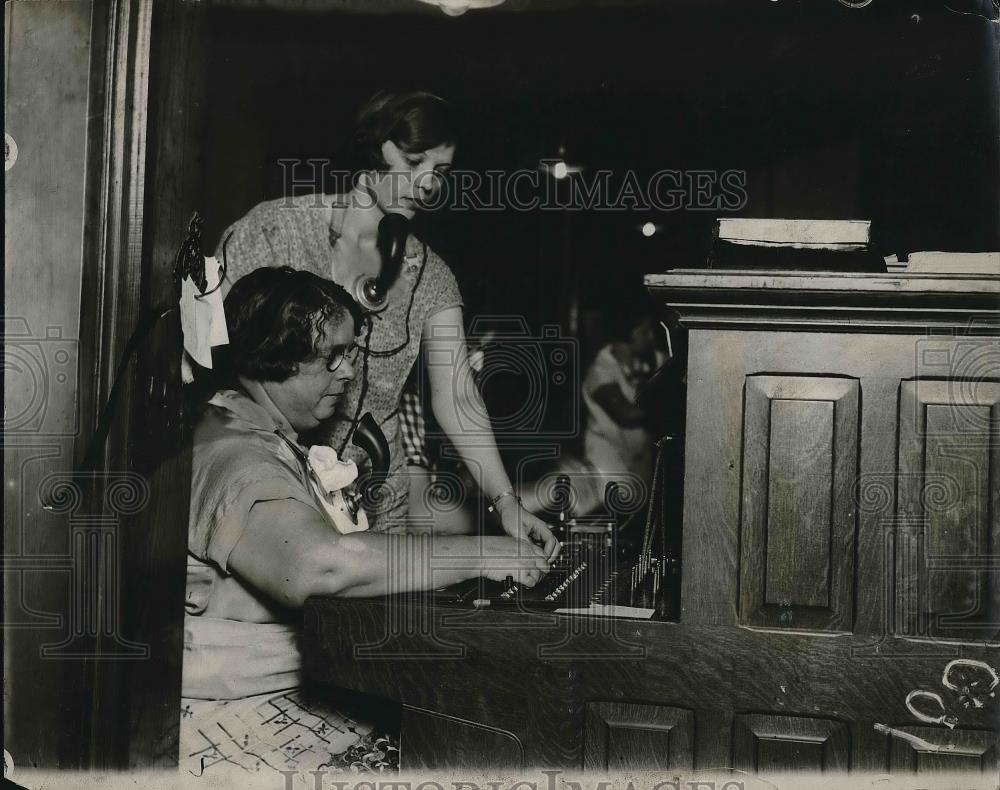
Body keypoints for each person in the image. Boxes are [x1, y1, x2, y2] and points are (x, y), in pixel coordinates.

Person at [181, 267, 551, 782]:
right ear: (270, 358)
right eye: (331, 356)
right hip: (231, 714)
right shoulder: (234, 453)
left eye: (350, 353)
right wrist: (484, 554)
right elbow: (319, 566)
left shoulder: (258, 431)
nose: (349, 372)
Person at [216, 90, 558, 558]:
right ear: (372, 146)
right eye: (414, 161)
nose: (426, 185)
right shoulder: (274, 228)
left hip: (377, 504)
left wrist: (506, 502)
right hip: (269, 483)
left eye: (439, 172)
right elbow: (211, 354)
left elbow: (457, 394)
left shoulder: (430, 276)